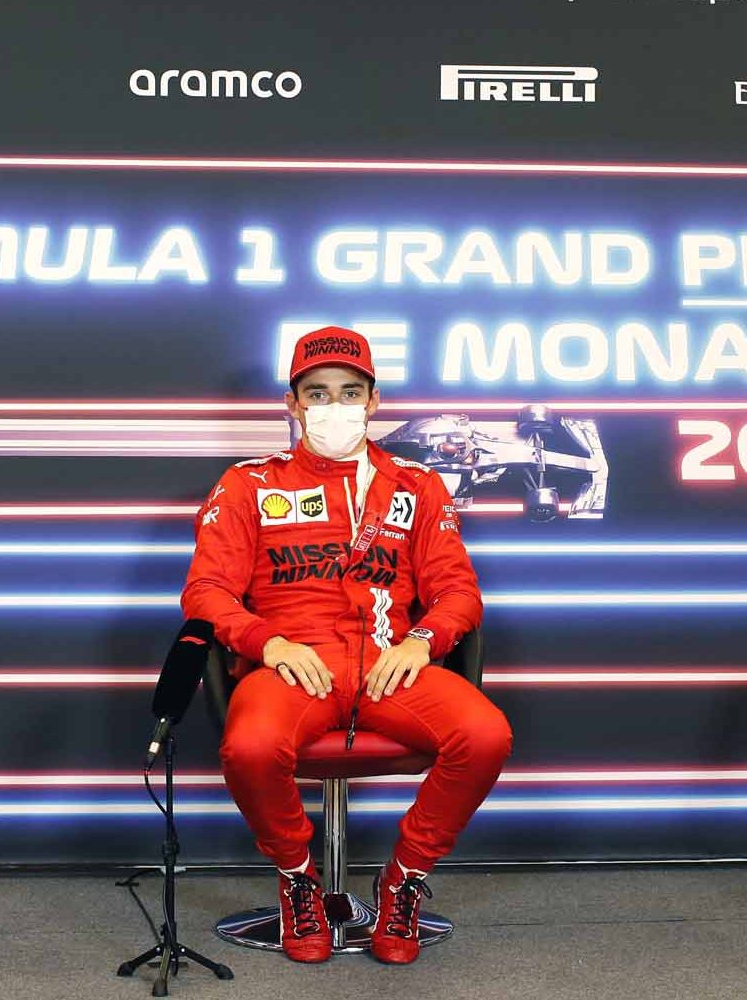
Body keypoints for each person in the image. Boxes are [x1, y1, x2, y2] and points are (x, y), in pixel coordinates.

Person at [182, 327, 513, 965]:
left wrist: (424, 639)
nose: (334, 406)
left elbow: (459, 593)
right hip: (294, 668)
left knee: (486, 735)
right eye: (318, 393)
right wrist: (266, 641)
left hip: (393, 666)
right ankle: (298, 879)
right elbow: (206, 593)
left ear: (373, 400)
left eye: (349, 392)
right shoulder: (249, 484)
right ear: (293, 404)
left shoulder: (417, 485)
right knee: (249, 746)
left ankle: (403, 882)